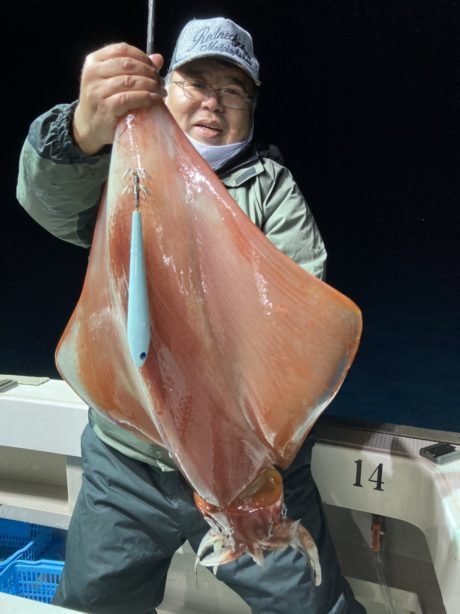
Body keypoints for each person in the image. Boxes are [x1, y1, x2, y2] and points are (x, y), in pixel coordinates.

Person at [17, 16, 365, 614]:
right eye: (197, 82)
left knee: (312, 606)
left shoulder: (270, 190)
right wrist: (81, 128)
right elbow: (48, 198)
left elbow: (300, 315)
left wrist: (243, 458)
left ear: (251, 109)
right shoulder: (119, 170)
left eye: (233, 91)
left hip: (245, 467)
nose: (213, 101)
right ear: (164, 89)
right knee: (89, 603)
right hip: (126, 460)